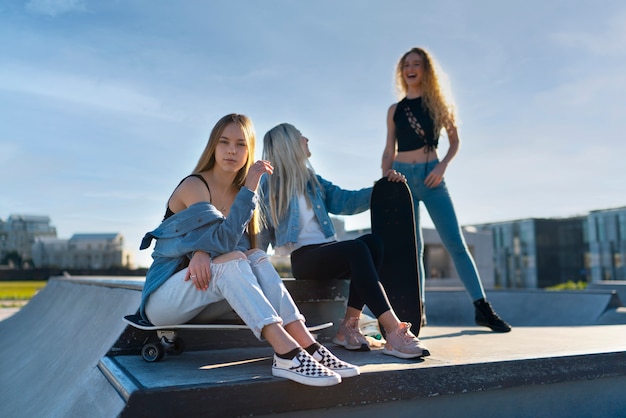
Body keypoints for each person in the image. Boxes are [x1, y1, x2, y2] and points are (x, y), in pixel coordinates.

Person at [138, 113, 359, 387]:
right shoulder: (195, 185)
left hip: (206, 298)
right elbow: (222, 243)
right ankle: (287, 353)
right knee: (232, 258)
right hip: (164, 303)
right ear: (213, 147)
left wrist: (204, 250)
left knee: (255, 256)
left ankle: (307, 344)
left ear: (249, 150)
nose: (232, 150)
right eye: (224, 142)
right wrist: (249, 190)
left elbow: (239, 247)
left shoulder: (237, 193)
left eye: (241, 144)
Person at [259, 123, 430, 359]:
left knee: (374, 243)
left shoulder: (313, 181)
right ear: (288, 144)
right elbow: (261, 229)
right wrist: (254, 267)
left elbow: (346, 201)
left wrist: (382, 188)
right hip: (304, 259)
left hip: (329, 253)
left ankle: (348, 328)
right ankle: (393, 330)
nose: (307, 139)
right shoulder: (268, 184)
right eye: (301, 137)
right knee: (358, 248)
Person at [381, 47, 511, 332]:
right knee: (413, 250)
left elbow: (454, 142)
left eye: (416, 64)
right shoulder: (395, 110)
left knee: (456, 242)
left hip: (432, 177)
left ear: (426, 69)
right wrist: (385, 179)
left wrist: (442, 167)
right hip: (402, 179)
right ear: (401, 72)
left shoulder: (438, 104)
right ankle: (418, 311)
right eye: (406, 65)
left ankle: (482, 308)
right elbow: (389, 149)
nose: (411, 68)